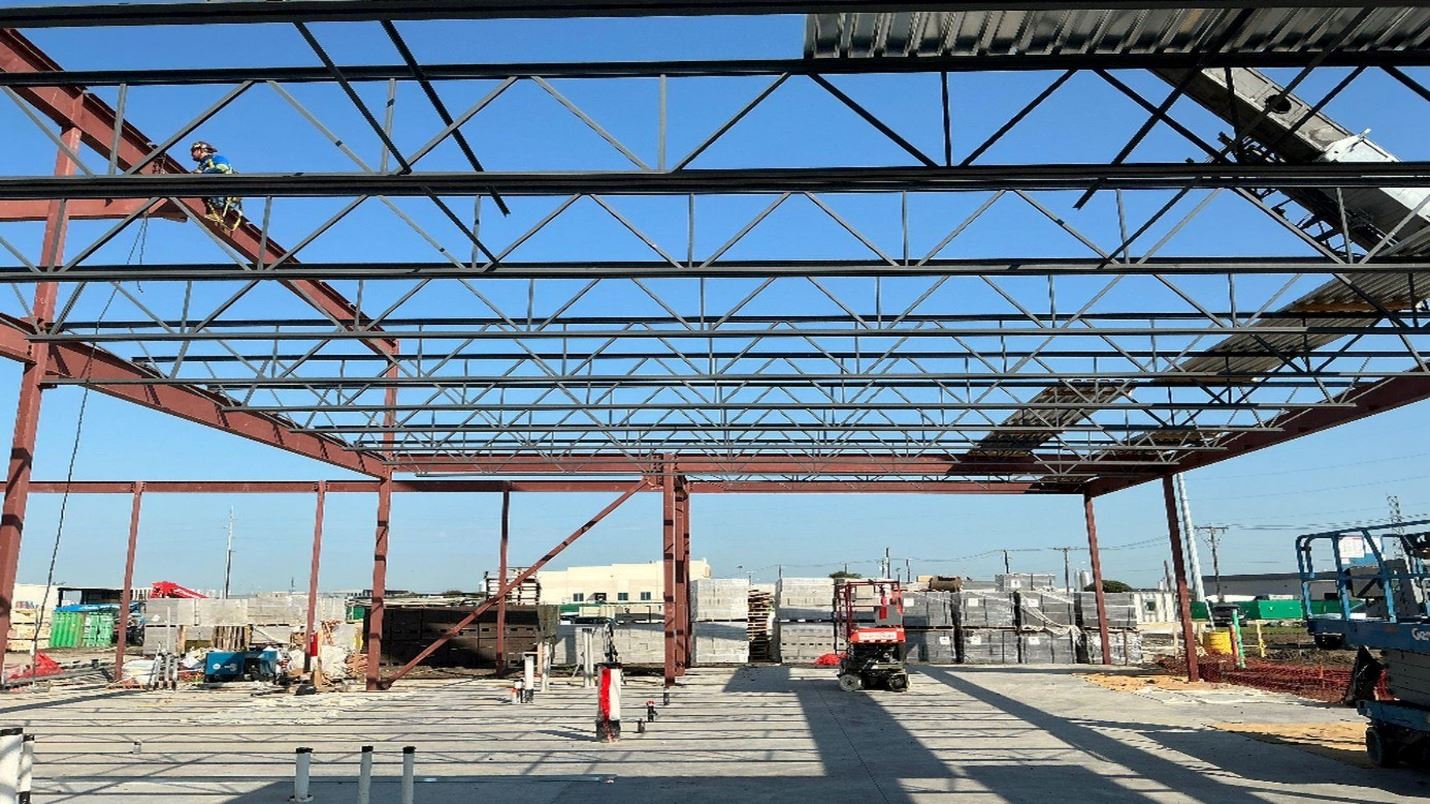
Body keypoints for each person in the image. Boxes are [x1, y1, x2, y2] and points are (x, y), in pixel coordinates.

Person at [189, 140, 243, 229]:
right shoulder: (203, 164)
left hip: (224, 189)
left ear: (201, 150)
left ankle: (217, 212)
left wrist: (204, 173)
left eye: (193, 150)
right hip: (215, 194)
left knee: (215, 185)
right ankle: (213, 212)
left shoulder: (216, 158)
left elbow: (223, 167)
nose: (192, 154)